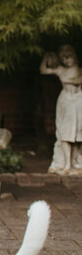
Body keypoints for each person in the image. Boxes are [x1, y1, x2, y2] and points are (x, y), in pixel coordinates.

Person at [40, 45, 82, 174]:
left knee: (77, 134)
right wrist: (46, 56)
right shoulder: (61, 70)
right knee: (64, 132)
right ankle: (66, 164)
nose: (66, 61)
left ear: (74, 57)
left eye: (68, 57)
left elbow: (76, 80)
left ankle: (76, 162)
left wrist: (66, 78)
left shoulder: (79, 71)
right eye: (63, 58)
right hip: (65, 101)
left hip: (78, 100)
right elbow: (44, 71)